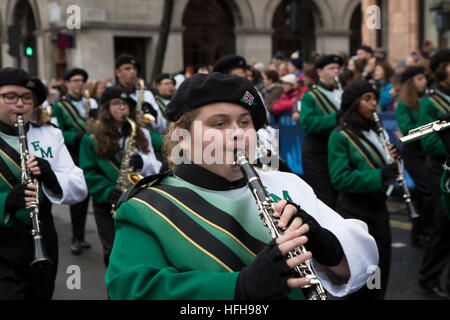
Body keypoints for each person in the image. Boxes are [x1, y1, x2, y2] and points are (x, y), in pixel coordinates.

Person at [105, 72, 378, 300]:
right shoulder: (145, 207)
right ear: (183, 138)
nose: (238, 133)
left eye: (245, 123)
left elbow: (360, 263)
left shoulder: (286, 183)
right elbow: (132, 291)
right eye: (220, 123)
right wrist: (239, 288)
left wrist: (327, 245)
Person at [0, 67, 88, 299]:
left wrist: (50, 177)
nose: (19, 104)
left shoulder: (50, 135)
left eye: (27, 98)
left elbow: (79, 186)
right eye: (10, 96)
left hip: (42, 236)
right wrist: (5, 201)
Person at [328, 79, 399, 299]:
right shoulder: (339, 136)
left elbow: (383, 164)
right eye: (367, 99)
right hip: (355, 211)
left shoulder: (375, 131)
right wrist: (380, 175)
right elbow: (340, 178)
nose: (373, 104)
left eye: (375, 99)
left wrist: (394, 161)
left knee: (380, 266)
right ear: (353, 103)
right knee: (362, 271)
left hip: (377, 208)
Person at [79, 86, 162, 267]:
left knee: (140, 252)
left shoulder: (142, 133)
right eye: (116, 103)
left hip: (138, 200)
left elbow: (157, 166)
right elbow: (88, 173)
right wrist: (108, 191)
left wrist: (143, 163)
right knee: (113, 253)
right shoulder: (91, 139)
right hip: (107, 203)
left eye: (126, 104)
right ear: (106, 108)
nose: (122, 108)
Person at [52, 68, 98, 255]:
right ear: (67, 83)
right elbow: (57, 132)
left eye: (82, 80)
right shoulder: (59, 106)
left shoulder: (91, 102)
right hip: (74, 154)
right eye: (76, 80)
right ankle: (76, 237)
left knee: (93, 195)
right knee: (79, 197)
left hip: (92, 152)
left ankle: (83, 236)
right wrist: (77, 136)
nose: (80, 84)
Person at [417, 49, 450, 299]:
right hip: (439, 168)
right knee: (442, 227)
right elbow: (427, 141)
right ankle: (429, 278)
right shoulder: (429, 101)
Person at [299, 54, 343, 209]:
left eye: (337, 68)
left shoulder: (341, 94)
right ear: (319, 72)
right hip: (317, 153)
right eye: (331, 68)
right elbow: (308, 124)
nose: (336, 72)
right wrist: (336, 117)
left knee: (339, 199)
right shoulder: (310, 96)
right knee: (325, 199)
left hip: (336, 153)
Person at [396, 66, 434, 247]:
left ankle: (418, 233)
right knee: (428, 191)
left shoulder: (427, 99)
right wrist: (426, 118)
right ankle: (426, 230)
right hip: (413, 154)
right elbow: (408, 131)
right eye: (420, 79)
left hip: (426, 152)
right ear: (411, 83)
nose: (424, 82)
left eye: (425, 78)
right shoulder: (403, 104)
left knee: (421, 194)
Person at [114, 54, 167, 135]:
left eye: (135, 69)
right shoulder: (112, 95)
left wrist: (155, 116)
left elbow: (162, 129)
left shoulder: (147, 94)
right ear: (117, 72)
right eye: (127, 68)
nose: (132, 72)